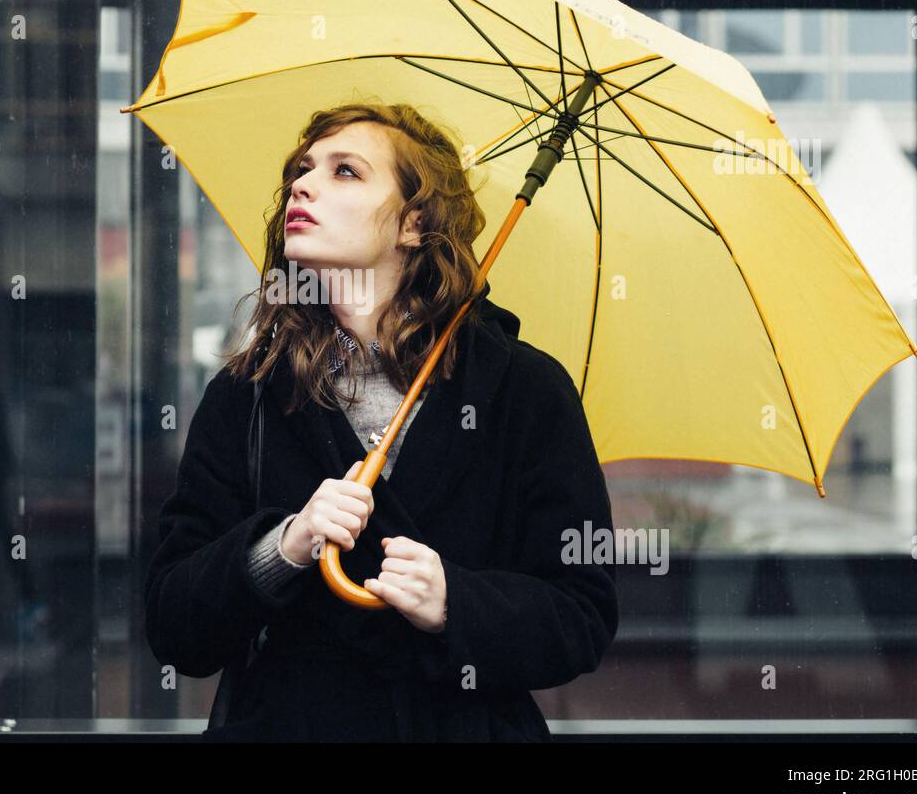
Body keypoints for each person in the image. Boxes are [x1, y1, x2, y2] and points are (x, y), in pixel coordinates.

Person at [144, 101, 618, 741]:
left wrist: (454, 602)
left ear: (414, 224)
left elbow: (581, 616)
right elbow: (174, 624)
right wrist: (281, 548)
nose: (302, 185)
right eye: (302, 169)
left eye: (345, 172)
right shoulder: (248, 393)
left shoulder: (523, 391)